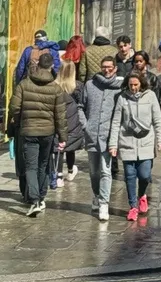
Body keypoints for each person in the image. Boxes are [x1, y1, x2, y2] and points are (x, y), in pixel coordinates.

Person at [7, 51, 67, 217]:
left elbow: (14, 108)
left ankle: (34, 200)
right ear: (51, 67)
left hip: (28, 131)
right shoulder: (55, 88)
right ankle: (41, 197)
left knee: (30, 166)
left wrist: (20, 121)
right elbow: (60, 116)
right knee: (43, 165)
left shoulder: (24, 84)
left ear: (37, 65)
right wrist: (63, 137)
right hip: (48, 132)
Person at [109, 72, 161, 220]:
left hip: (146, 142)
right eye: (130, 85)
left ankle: (142, 195)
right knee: (129, 176)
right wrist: (113, 144)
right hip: (127, 142)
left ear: (141, 83)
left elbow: (157, 120)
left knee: (145, 175)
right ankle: (133, 206)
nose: (133, 88)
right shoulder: (122, 98)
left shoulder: (151, 96)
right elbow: (116, 122)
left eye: (136, 85)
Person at [80, 55, 122, 221]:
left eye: (110, 67)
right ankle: (96, 194)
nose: (106, 70)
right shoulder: (90, 85)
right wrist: (86, 125)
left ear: (115, 69)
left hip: (108, 136)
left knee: (106, 170)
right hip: (91, 135)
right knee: (93, 171)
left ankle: (104, 203)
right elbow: (80, 106)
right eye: (104, 66)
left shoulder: (119, 88)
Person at [56, 59, 85, 183]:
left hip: (59, 117)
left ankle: (58, 175)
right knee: (70, 147)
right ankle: (70, 170)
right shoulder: (77, 86)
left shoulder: (55, 85)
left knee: (59, 146)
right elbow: (82, 103)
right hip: (73, 119)